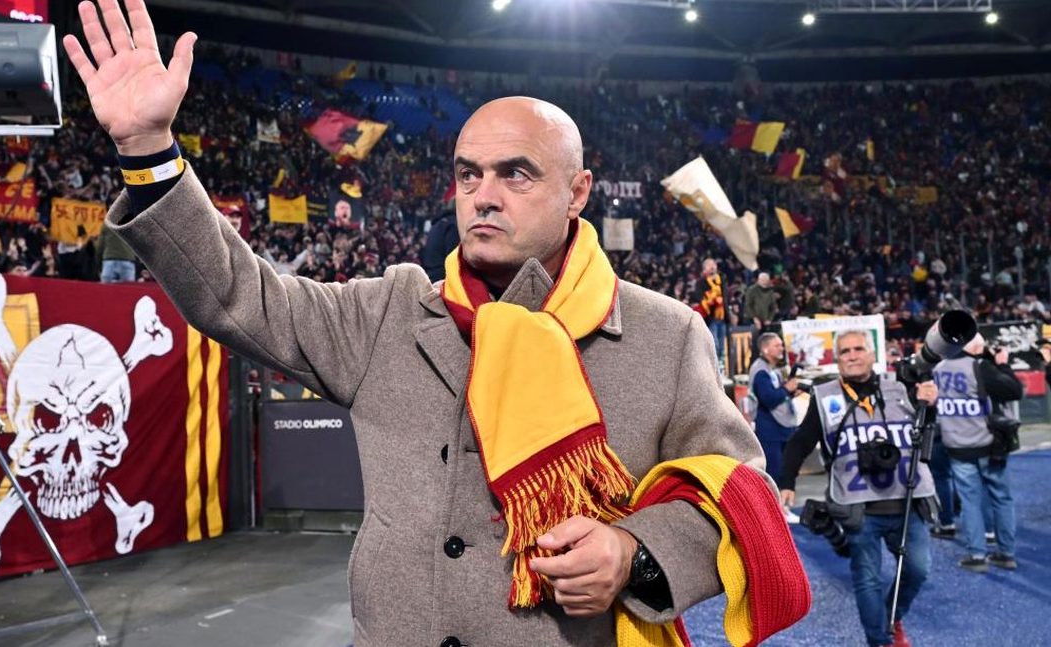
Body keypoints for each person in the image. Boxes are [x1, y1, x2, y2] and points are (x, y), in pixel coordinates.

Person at [64, 2, 808, 644]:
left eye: (516, 173)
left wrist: (633, 554)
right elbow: (237, 296)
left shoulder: (663, 334)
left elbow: (741, 492)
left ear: (578, 191)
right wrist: (148, 151)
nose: (483, 195)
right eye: (467, 173)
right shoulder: (389, 311)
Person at [779, 330, 938, 647]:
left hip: (907, 499)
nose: (852, 355)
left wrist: (930, 406)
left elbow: (929, 432)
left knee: (918, 570)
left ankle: (892, 617)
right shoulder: (825, 396)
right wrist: (787, 482)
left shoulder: (901, 387)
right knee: (867, 579)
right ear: (837, 360)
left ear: (872, 354)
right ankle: (880, 641)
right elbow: (800, 442)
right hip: (858, 506)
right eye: (845, 351)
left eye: (858, 349)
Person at [931, 334, 1023, 572]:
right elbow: (1014, 390)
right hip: (987, 444)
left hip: (956, 444)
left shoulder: (938, 369)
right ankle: (1006, 553)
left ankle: (977, 554)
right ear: (977, 348)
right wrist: (1002, 364)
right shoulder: (979, 366)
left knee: (969, 501)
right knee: (1001, 498)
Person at [748, 333, 798, 484]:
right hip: (770, 431)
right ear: (765, 349)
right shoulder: (761, 371)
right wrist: (787, 389)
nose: (781, 348)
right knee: (774, 477)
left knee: (782, 475)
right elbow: (768, 399)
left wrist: (790, 392)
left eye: (781, 345)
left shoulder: (770, 369)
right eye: (777, 345)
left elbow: (776, 393)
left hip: (779, 429)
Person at [693, 257, 728, 372]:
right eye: (709, 265)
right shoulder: (700, 282)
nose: (712, 266)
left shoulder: (721, 280)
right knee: (714, 345)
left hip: (722, 317)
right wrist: (712, 298)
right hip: (710, 318)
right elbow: (700, 299)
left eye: (714, 264)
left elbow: (725, 299)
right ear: (704, 269)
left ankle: (721, 370)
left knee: (721, 346)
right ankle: (713, 370)